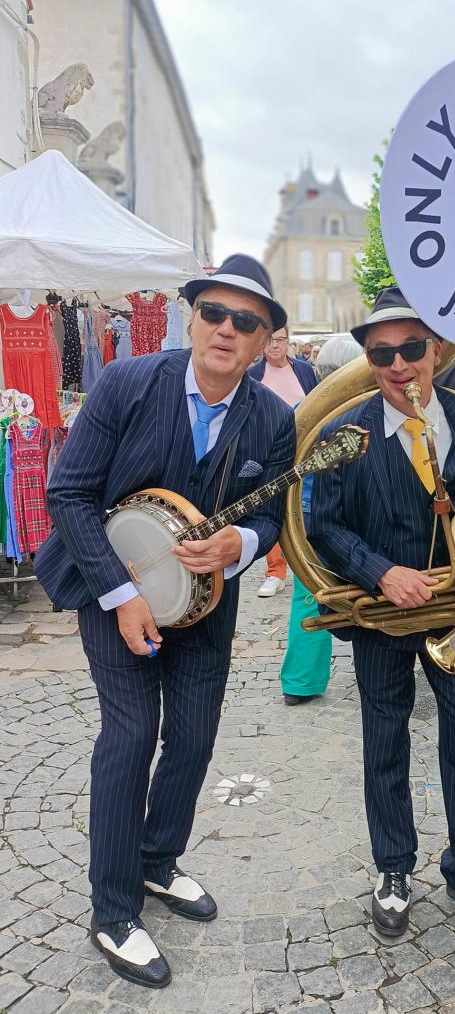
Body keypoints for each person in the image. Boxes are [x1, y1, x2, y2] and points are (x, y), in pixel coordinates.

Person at [35, 255, 295, 989]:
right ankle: (113, 911)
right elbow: (69, 493)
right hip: (109, 587)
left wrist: (239, 543)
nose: (226, 329)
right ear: (191, 315)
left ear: (265, 337)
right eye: (214, 312)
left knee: (194, 736)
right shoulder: (126, 383)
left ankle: (156, 862)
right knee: (129, 736)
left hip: (205, 608)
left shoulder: (274, 418)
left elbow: (272, 516)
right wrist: (122, 595)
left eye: (246, 321)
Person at [309, 288, 455, 938]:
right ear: (369, 358)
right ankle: (393, 869)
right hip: (381, 616)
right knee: (384, 740)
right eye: (382, 352)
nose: (399, 363)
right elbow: (321, 524)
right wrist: (381, 572)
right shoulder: (341, 435)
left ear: (435, 350)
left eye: (412, 347)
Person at [279, 333, 363, 705]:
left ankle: (301, 682)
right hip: (356, 517)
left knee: (310, 596)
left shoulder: (302, 408)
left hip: (307, 516)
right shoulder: (369, 412)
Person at [249, 326, 316, 596]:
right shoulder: (254, 374)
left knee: (304, 503)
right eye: (270, 341)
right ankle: (275, 571)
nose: (276, 345)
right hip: (270, 448)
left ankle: (307, 562)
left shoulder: (303, 370)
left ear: (288, 342)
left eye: (281, 339)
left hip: (303, 447)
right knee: (272, 503)